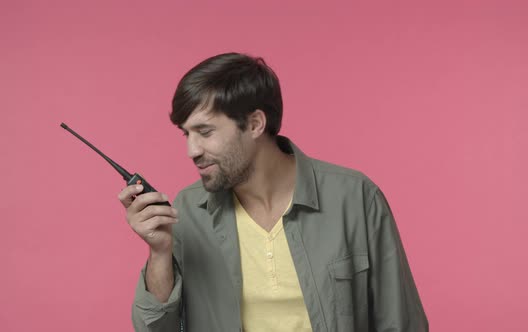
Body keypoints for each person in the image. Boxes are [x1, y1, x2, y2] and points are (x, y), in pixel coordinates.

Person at [118, 52, 428, 332]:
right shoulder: (187, 210)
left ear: (254, 124)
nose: (191, 150)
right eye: (186, 134)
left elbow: (402, 322)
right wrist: (159, 251)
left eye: (205, 131)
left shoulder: (355, 197)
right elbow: (156, 330)